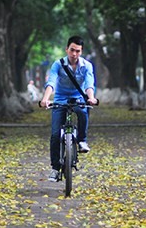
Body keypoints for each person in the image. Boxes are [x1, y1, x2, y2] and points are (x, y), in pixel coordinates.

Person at [40, 35, 98, 182]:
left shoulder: (87, 66)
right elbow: (51, 82)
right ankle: (54, 169)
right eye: (72, 50)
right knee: (54, 135)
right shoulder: (57, 65)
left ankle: (82, 140)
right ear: (66, 49)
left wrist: (91, 98)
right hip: (60, 98)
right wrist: (45, 99)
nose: (74, 54)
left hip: (78, 97)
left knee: (82, 112)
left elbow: (89, 84)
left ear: (81, 51)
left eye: (78, 51)